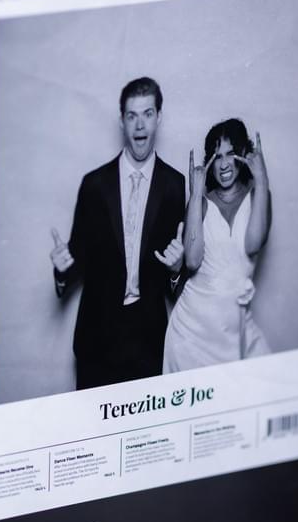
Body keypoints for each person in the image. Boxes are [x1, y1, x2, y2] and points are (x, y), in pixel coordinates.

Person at [50, 77, 187, 388]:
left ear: (159, 118)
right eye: (132, 115)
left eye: (148, 114)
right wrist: (61, 271)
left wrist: (177, 270)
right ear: (121, 120)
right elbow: (77, 261)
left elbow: (175, 279)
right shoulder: (94, 185)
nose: (140, 125)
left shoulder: (174, 186)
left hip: (148, 343)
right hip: (96, 341)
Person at [163, 119, 272, 372]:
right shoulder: (202, 203)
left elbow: (253, 244)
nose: (223, 164)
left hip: (235, 330)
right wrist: (196, 193)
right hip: (191, 332)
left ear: (243, 155)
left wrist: (262, 178)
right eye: (217, 156)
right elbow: (191, 260)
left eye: (230, 155)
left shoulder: (259, 195)